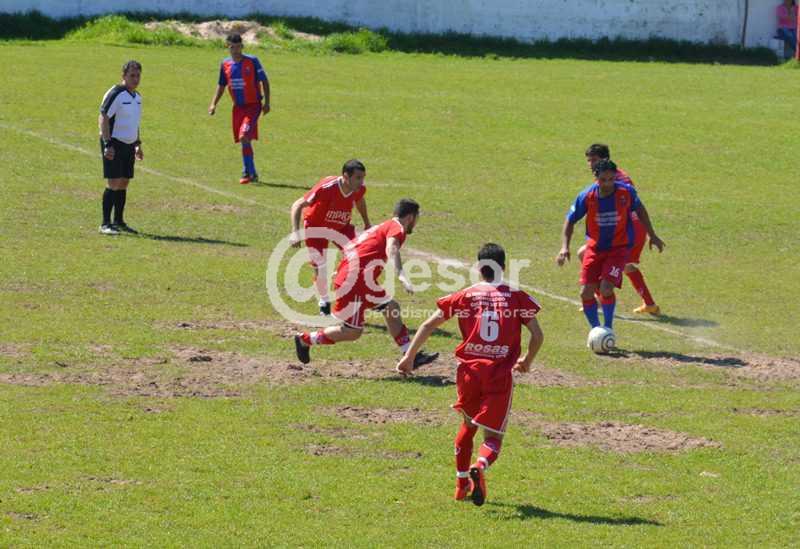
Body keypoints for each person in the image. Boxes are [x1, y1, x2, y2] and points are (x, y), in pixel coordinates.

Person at [397, 243, 544, 506]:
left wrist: (409, 357)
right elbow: (538, 335)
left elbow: (428, 324)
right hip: (498, 374)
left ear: (479, 268)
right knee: (493, 437)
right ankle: (480, 465)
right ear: (503, 267)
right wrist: (527, 361)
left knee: (467, 425)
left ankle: (461, 484)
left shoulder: (465, 295)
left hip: (468, 373)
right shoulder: (516, 296)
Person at [294, 199, 438, 369]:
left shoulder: (381, 226)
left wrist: (342, 269)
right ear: (411, 217)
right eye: (417, 218)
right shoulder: (397, 228)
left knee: (391, 308)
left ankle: (410, 355)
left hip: (361, 280)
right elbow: (391, 248)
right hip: (356, 281)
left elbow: (353, 247)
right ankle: (305, 340)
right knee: (352, 331)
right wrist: (401, 275)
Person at [557, 160, 665, 334]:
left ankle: (608, 328)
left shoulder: (626, 192)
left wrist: (652, 235)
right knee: (585, 293)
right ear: (596, 177)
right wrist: (564, 247)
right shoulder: (587, 196)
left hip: (618, 249)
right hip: (594, 249)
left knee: (606, 288)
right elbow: (570, 220)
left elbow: (641, 210)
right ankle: (596, 330)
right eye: (603, 180)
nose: (607, 184)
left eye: (611, 179)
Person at [580, 144, 660, 314]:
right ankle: (650, 304)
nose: (591, 164)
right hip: (627, 229)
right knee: (626, 266)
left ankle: (602, 299)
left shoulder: (615, 180)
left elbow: (629, 206)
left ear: (605, 159)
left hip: (629, 231)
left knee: (586, 254)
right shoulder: (611, 175)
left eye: (594, 160)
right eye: (589, 160)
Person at [289, 159, 371, 315]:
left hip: (341, 227)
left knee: (359, 255)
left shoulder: (358, 189)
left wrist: (367, 222)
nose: (361, 182)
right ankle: (324, 301)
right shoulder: (327, 187)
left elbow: (359, 200)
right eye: (358, 178)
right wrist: (295, 231)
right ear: (346, 176)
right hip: (316, 228)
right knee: (320, 267)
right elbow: (298, 204)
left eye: (363, 178)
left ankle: (340, 275)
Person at [208, 33, 271, 185]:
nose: (235, 50)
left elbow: (264, 81)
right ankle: (250, 172)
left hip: (253, 106)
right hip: (238, 108)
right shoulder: (225, 64)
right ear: (227, 47)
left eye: (238, 47)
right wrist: (213, 103)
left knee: (244, 136)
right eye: (232, 47)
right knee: (244, 140)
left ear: (242, 46)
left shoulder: (252, 61)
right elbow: (221, 85)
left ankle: (248, 172)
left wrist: (267, 103)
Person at [98, 60, 144, 236]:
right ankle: (105, 223)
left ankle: (119, 221)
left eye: (138, 75)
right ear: (123, 76)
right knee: (113, 182)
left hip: (129, 144)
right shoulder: (116, 93)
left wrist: (137, 144)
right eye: (132, 75)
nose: (135, 79)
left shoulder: (137, 97)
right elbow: (103, 117)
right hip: (114, 143)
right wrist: (107, 144)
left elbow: (135, 122)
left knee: (124, 182)